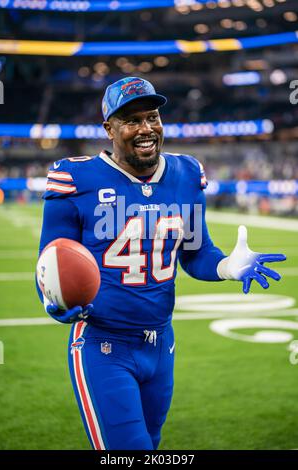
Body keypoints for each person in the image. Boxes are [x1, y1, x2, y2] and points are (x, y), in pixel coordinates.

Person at [36, 76, 286, 451]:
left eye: (152, 117)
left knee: (152, 446)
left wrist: (226, 267)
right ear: (109, 128)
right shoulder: (77, 178)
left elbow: (196, 253)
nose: (146, 128)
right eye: (131, 120)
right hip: (104, 343)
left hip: (161, 343)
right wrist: (60, 309)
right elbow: (48, 267)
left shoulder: (185, 173)